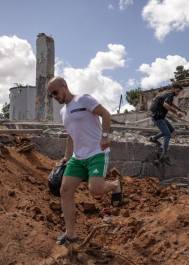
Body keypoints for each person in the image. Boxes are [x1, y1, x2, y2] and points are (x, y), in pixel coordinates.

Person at [47, 76, 122, 245]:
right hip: (77, 157)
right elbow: (71, 136)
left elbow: (105, 114)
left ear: (64, 86)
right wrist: (66, 158)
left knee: (95, 189)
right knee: (65, 191)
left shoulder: (83, 99)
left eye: (55, 92)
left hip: (97, 152)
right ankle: (71, 234)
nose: (54, 96)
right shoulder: (63, 112)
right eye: (51, 95)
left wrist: (105, 136)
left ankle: (115, 185)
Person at [149, 85, 186, 164]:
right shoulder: (170, 95)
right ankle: (164, 156)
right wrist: (176, 113)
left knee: (171, 130)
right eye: (177, 91)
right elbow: (165, 105)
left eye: (179, 91)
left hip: (160, 117)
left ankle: (154, 138)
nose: (178, 93)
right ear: (173, 89)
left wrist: (180, 109)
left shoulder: (167, 94)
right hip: (158, 117)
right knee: (168, 135)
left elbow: (170, 104)